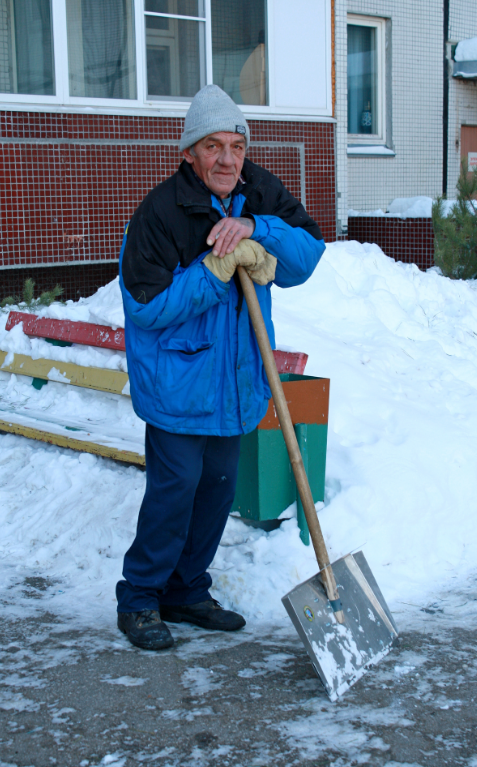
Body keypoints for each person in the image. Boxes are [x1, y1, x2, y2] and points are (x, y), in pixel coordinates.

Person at [117, 84, 325, 651]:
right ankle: (139, 596)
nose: (228, 159)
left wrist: (259, 232)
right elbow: (147, 307)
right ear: (189, 152)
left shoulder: (258, 190)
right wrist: (216, 269)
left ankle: (185, 590)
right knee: (176, 487)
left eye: (236, 145)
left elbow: (308, 254)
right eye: (213, 146)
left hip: (235, 383)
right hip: (179, 384)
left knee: (218, 487)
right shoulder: (160, 213)